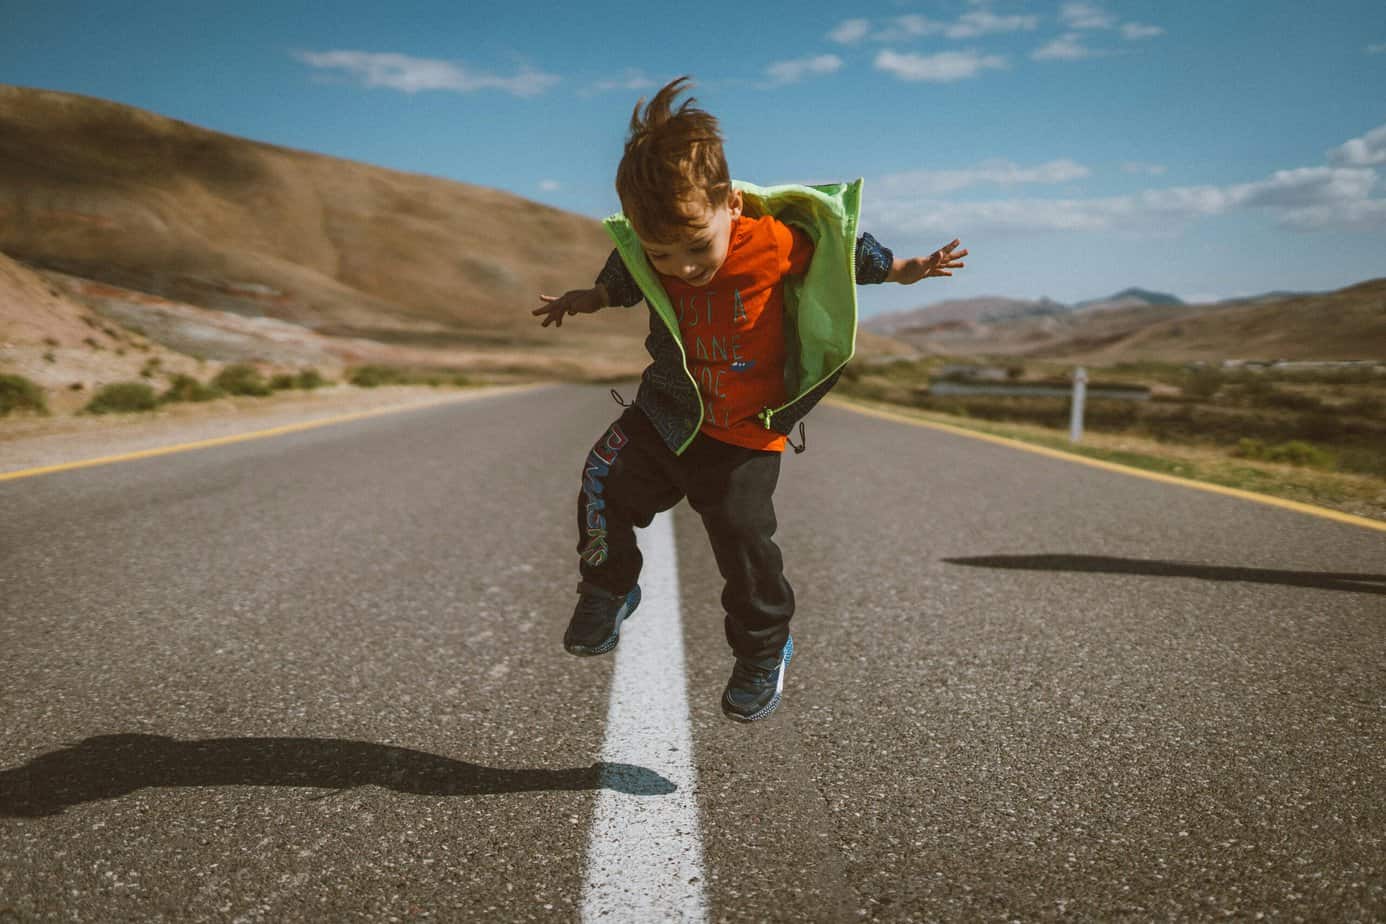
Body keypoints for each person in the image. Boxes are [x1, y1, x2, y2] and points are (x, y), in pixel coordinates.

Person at [532, 76, 966, 722]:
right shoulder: (651, 253)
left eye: (695, 248)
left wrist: (906, 269)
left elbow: (846, 252)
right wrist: (589, 298)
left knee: (742, 545)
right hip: (666, 412)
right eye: (662, 254)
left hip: (743, 432)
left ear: (731, 204)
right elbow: (625, 272)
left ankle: (763, 649)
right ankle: (606, 587)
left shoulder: (774, 240)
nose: (680, 268)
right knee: (601, 479)